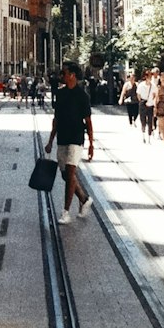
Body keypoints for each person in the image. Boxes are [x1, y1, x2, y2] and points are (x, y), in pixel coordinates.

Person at [44, 60, 94, 225]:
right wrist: (51, 140)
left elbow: (88, 121)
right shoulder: (61, 94)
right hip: (62, 138)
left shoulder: (82, 96)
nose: (61, 76)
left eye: (63, 73)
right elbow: (56, 119)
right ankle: (84, 199)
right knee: (66, 175)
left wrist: (91, 144)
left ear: (72, 75)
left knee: (71, 173)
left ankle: (66, 212)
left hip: (76, 139)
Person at [136, 69, 155, 143]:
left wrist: (151, 101)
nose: (150, 78)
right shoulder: (141, 85)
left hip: (150, 104)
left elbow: (154, 95)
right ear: (145, 77)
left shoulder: (153, 86)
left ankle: (149, 136)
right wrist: (141, 101)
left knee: (150, 120)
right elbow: (138, 95)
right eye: (149, 76)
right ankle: (143, 135)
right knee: (143, 120)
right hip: (143, 103)